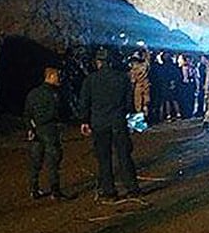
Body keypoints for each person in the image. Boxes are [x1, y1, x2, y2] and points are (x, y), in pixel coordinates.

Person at [80, 48, 141, 201]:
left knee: (104, 158)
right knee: (124, 155)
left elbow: (84, 103)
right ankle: (132, 188)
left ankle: (109, 191)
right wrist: (135, 123)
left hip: (99, 123)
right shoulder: (123, 78)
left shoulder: (91, 79)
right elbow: (129, 103)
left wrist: (84, 121)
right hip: (118, 122)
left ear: (98, 62)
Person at [23, 67, 69, 200]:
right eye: (57, 76)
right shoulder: (54, 94)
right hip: (50, 130)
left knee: (36, 161)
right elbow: (57, 112)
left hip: (36, 131)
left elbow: (27, 113)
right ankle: (55, 191)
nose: (59, 79)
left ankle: (34, 189)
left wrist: (31, 129)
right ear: (51, 76)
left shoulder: (33, 93)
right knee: (53, 162)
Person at [128, 49, 151, 114]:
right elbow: (148, 60)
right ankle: (146, 116)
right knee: (146, 103)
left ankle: (141, 118)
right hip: (146, 85)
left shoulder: (133, 71)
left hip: (138, 87)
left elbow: (132, 81)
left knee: (138, 104)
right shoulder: (144, 66)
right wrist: (146, 50)